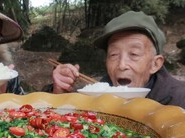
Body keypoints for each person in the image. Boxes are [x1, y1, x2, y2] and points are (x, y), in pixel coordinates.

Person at [44, 11, 185, 109]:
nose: (122, 65)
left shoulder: (178, 99)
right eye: (114, 55)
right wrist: (59, 93)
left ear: (155, 64)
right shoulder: (96, 94)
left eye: (134, 54)